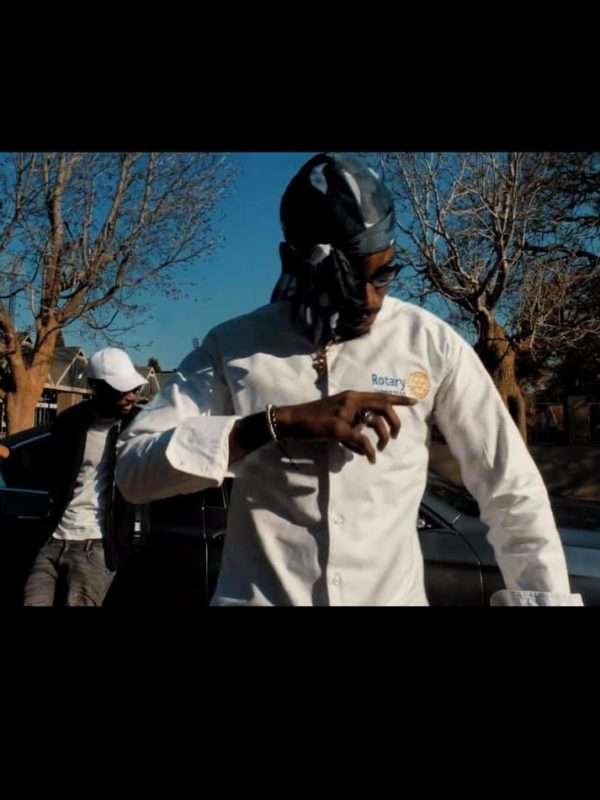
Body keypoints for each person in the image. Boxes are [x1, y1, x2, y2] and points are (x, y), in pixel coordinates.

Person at [116, 153, 582, 607]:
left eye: (383, 275)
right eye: (345, 280)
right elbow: (134, 473)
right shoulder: (234, 346)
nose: (370, 299)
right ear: (294, 261)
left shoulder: (430, 343)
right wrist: (273, 424)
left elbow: (510, 489)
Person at [24, 347, 148, 607]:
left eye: (134, 388)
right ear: (96, 387)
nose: (131, 396)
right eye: (121, 389)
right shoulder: (71, 422)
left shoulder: (141, 426)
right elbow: (43, 468)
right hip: (55, 538)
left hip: (97, 545)